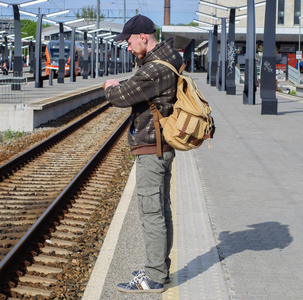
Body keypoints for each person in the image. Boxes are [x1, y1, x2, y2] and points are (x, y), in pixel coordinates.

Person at [103, 14, 183, 293]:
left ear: (142, 37)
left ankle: (154, 277)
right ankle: (160, 269)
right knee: (162, 210)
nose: (126, 46)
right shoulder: (164, 60)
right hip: (161, 147)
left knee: (152, 212)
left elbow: (121, 97)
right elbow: (140, 85)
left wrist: (111, 88)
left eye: (128, 41)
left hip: (153, 148)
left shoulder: (155, 69)